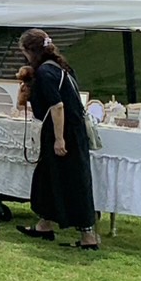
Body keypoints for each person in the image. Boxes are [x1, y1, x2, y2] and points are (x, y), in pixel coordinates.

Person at [17, 29, 99, 249]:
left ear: (31, 52)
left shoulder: (45, 72)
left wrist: (59, 139)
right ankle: (45, 223)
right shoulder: (61, 67)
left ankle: (88, 236)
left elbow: (58, 106)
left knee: (73, 181)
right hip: (71, 129)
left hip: (64, 131)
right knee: (49, 177)